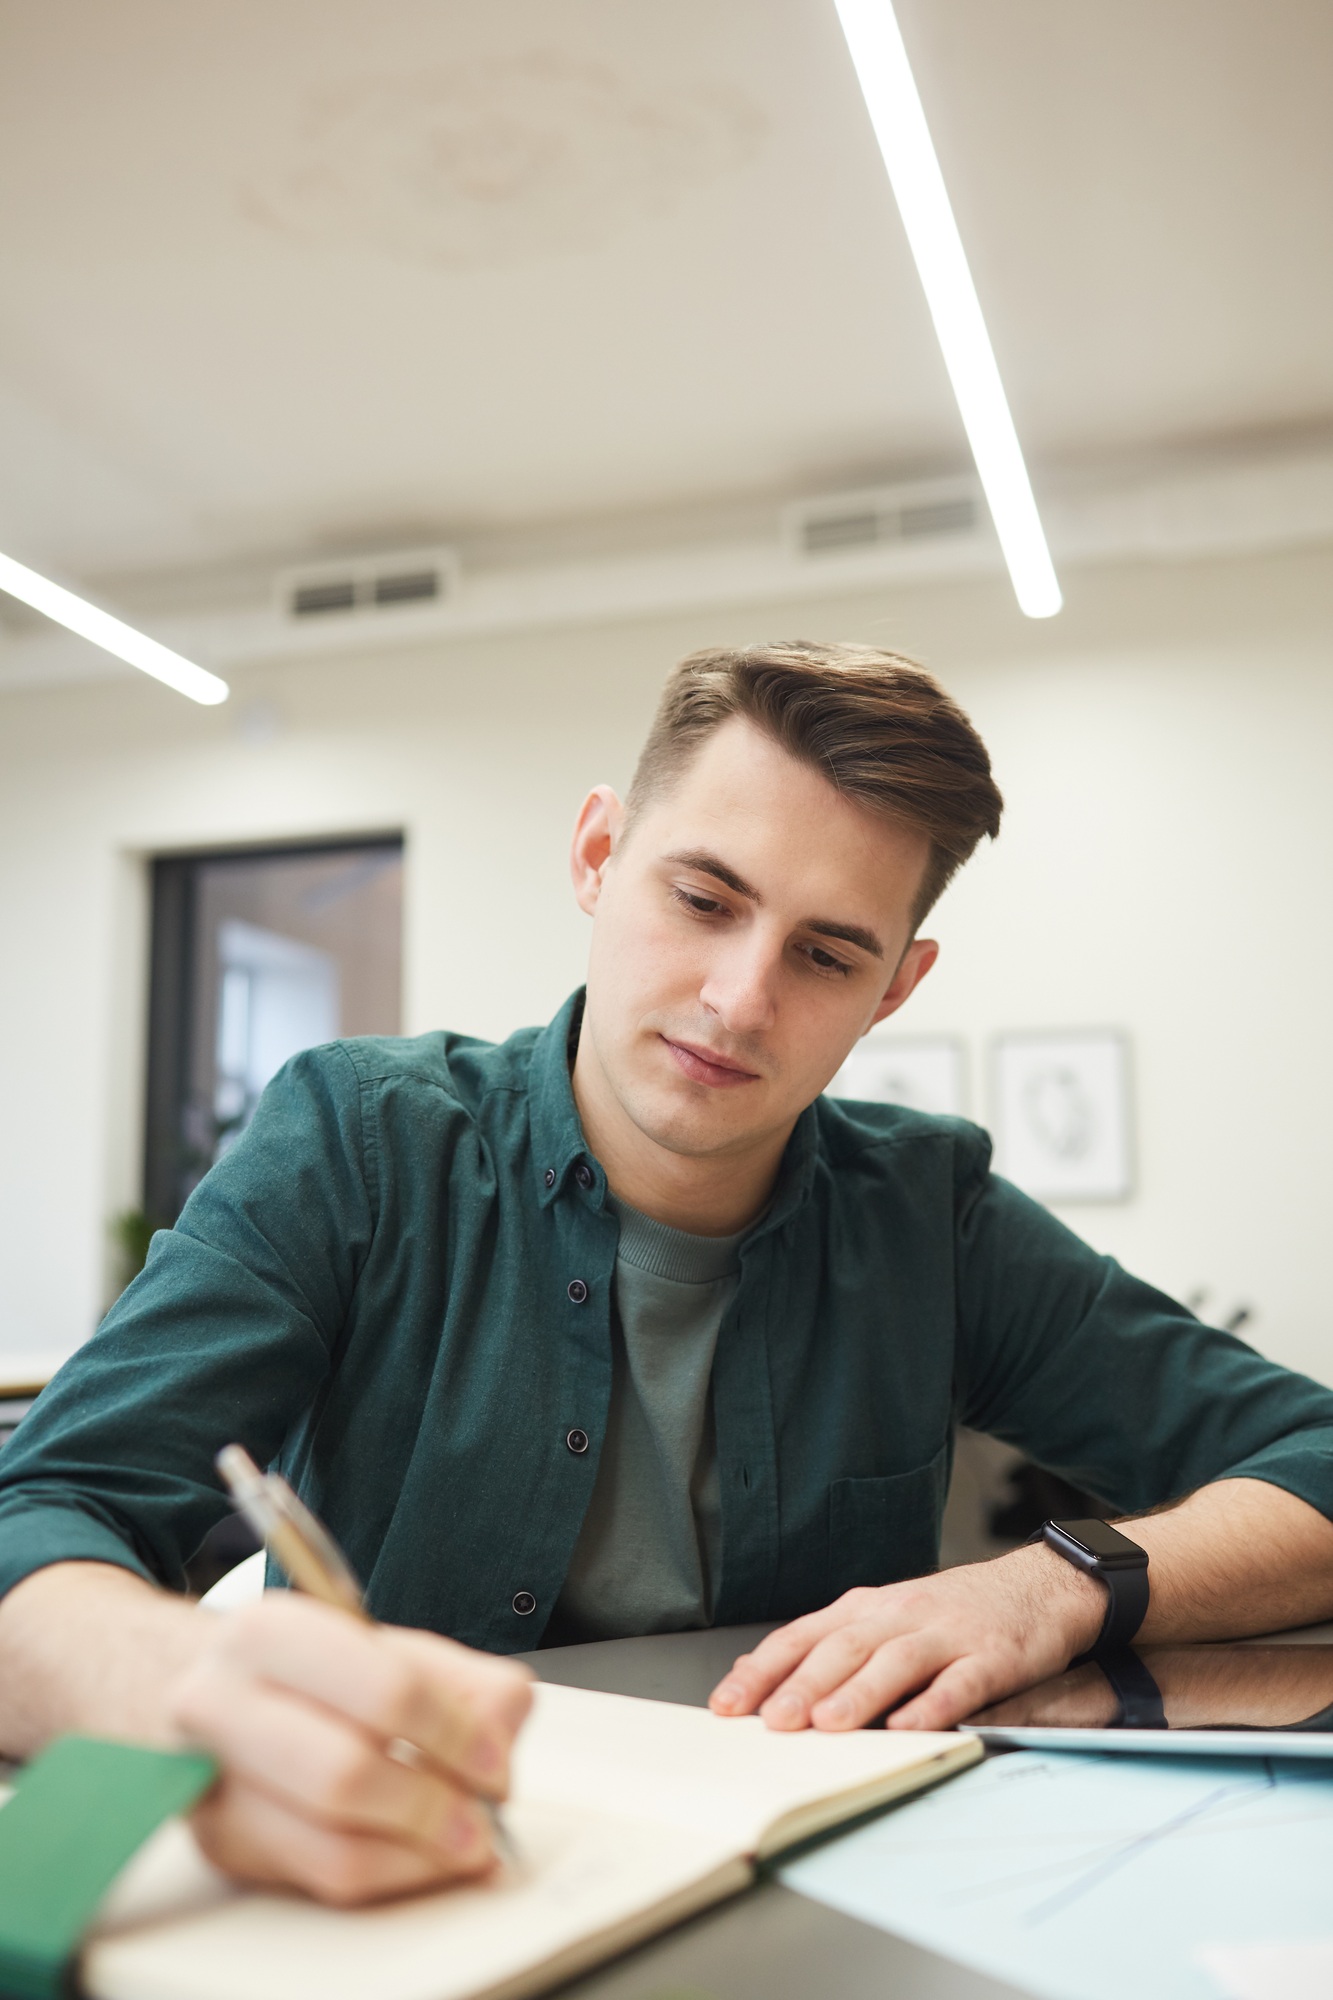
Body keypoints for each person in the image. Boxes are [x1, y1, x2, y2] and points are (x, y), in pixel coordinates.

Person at [1, 641, 1331, 1906]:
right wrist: (188, 1689)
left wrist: (1045, 1584)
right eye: (702, 900)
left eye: (825, 954)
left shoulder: (932, 1215)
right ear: (597, 854)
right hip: (403, 1874)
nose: (738, 1000)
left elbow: (1311, 1457)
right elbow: (46, 1508)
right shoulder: (360, 1142)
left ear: (894, 990)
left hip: (809, 1889)